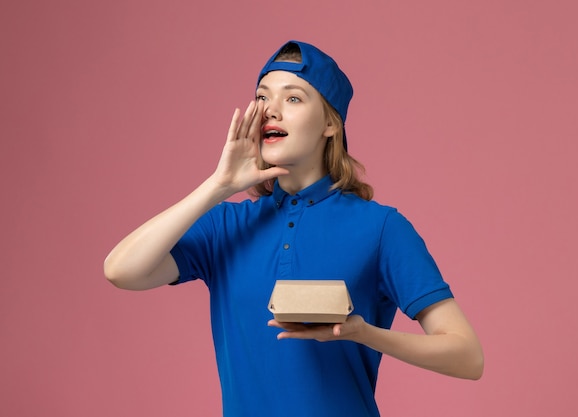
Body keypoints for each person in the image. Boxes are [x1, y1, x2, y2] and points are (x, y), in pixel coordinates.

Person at [104, 40, 483, 417]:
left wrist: (363, 333)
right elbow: (121, 270)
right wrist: (217, 186)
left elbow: (467, 357)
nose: (271, 111)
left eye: (294, 99)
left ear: (331, 124)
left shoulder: (381, 228)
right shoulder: (225, 226)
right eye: (262, 97)